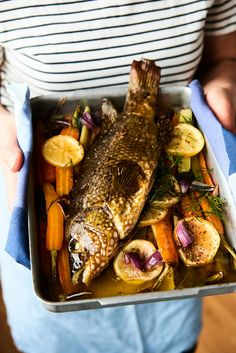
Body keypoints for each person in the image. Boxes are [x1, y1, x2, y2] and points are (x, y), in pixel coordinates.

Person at [0, 1, 235, 353]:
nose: (81, 255)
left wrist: (223, 93)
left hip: (168, 308)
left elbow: (225, 59)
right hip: (30, 186)